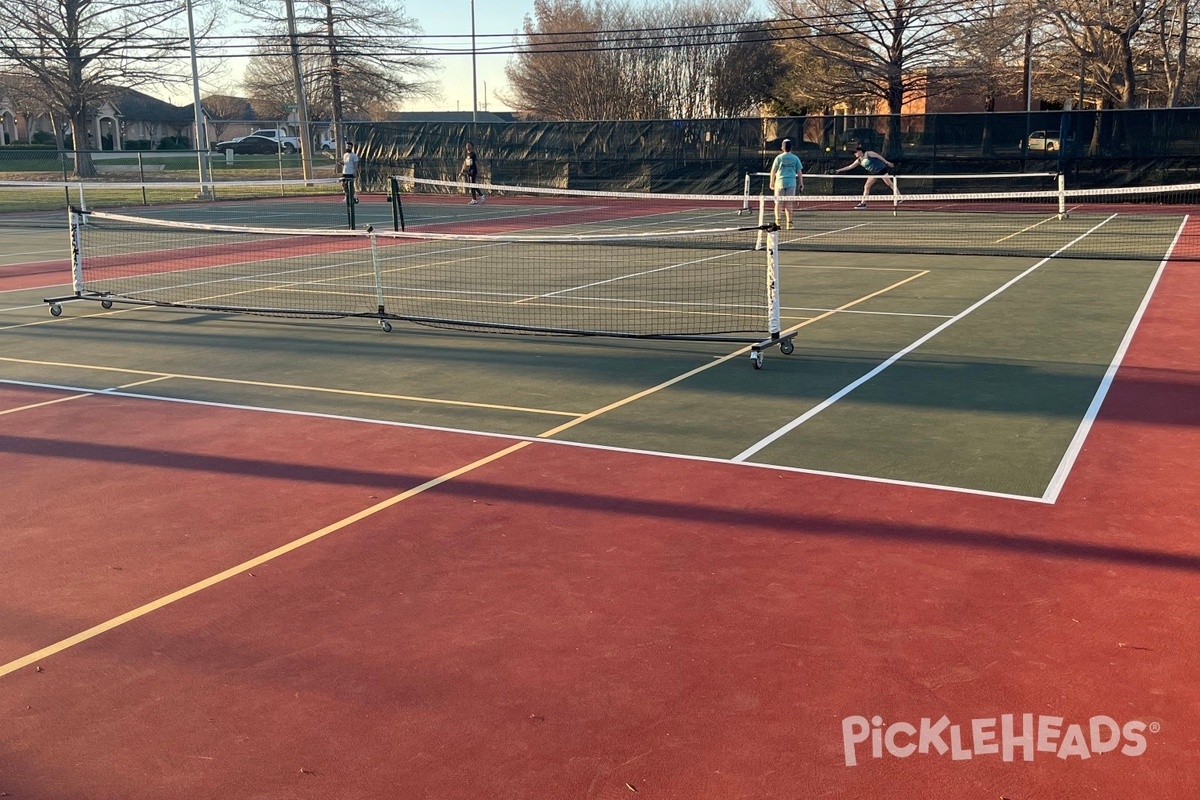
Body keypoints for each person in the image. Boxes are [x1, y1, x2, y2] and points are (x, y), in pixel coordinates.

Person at [769, 139, 804, 229]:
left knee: (778, 203)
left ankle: (778, 223)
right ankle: (789, 224)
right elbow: (799, 172)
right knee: (789, 204)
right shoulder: (795, 158)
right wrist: (801, 183)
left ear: (782, 148)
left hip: (780, 182)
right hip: (791, 183)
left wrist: (772, 181)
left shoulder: (779, 158)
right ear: (791, 148)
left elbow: (773, 171)